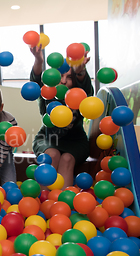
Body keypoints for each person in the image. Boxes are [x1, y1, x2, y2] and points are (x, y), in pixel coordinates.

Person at [30, 44, 94, 189]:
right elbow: (36, 81)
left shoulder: (79, 94)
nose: (64, 81)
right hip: (47, 139)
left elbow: (87, 88)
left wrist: (80, 69)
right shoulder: (47, 93)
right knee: (52, 155)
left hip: (76, 142)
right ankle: (44, 201)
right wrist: (39, 61)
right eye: (60, 77)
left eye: (69, 77)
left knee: (67, 158)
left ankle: (63, 202)